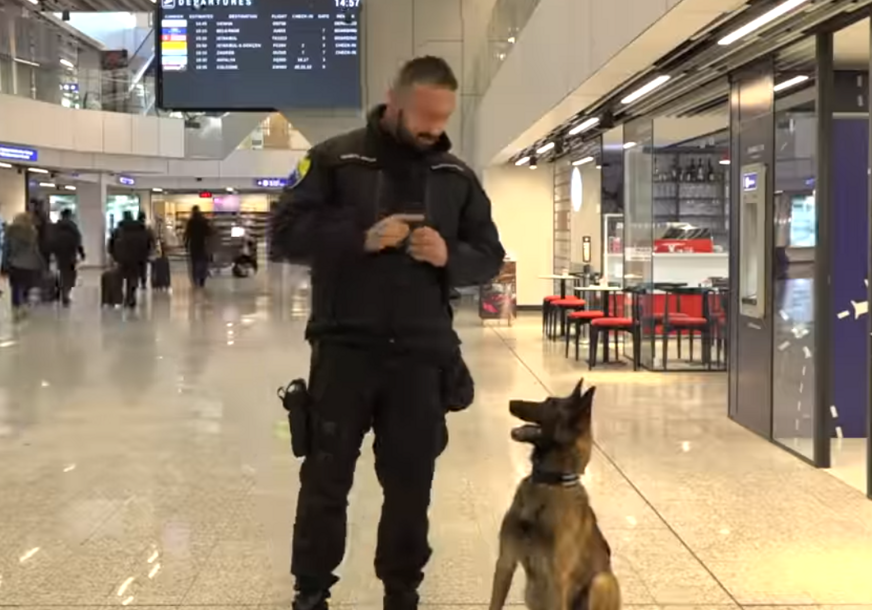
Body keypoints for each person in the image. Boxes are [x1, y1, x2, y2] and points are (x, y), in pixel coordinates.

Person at [271, 56, 505, 610]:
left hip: (421, 359)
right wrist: (361, 235)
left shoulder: (456, 178)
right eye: (424, 117)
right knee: (326, 481)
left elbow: (489, 257)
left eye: (443, 119)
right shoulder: (333, 160)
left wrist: (451, 255)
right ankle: (311, 592)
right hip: (343, 348)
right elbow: (285, 234)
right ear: (392, 100)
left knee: (410, 489)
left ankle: (402, 592)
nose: (433, 130)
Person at [1, 213, 44, 320]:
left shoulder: (10, 232)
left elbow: (7, 249)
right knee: (26, 286)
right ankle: (24, 305)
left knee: (16, 287)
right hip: (31, 264)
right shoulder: (33, 232)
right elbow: (36, 250)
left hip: (16, 264)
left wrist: (4, 264)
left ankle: (16, 310)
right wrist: (41, 263)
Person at [108, 211, 151, 308]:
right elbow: (148, 244)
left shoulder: (118, 230)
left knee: (121, 277)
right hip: (137, 258)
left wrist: (114, 256)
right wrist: (145, 256)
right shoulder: (141, 229)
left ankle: (120, 297)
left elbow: (111, 244)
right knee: (133, 277)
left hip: (122, 258)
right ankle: (131, 296)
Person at [51, 208, 86, 307]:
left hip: (59, 254)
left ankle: (63, 291)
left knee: (62, 273)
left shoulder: (56, 227)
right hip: (70, 254)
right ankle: (66, 292)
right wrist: (82, 253)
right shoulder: (73, 227)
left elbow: (51, 240)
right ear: (70, 216)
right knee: (71, 275)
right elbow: (78, 241)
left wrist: (52, 252)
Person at [184, 206, 212, 289]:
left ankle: (195, 280)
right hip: (203, 245)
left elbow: (187, 234)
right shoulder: (204, 221)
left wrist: (186, 244)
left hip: (193, 245)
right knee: (203, 263)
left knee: (194, 263)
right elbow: (209, 232)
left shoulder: (191, 221)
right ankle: (202, 280)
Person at [137, 212, 156, 289]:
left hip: (135, 250)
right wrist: (152, 248)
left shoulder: (134, 228)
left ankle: (135, 282)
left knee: (136, 267)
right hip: (144, 250)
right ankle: (143, 282)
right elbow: (152, 240)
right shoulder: (147, 228)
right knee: (143, 267)